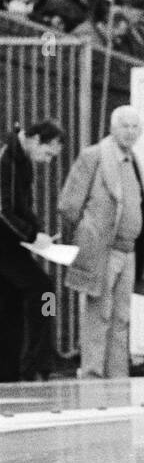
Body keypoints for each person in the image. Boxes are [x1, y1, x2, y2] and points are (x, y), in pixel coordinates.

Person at [58, 106, 144, 380]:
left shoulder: (133, 159)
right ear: (112, 128)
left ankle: (117, 375)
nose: (130, 131)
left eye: (135, 126)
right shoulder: (94, 156)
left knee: (122, 317)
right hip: (104, 248)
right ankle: (91, 373)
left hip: (129, 250)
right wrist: (89, 235)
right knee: (99, 313)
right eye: (125, 125)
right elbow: (68, 206)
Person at [0, 120, 63, 382]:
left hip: (12, 242)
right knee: (45, 289)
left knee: (10, 303)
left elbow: (21, 206)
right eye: (47, 154)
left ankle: (10, 373)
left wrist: (39, 233)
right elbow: (3, 209)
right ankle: (40, 361)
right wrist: (32, 236)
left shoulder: (21, 158)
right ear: (36, 139)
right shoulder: (6, 156)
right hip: (5, 244)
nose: (47, 161)